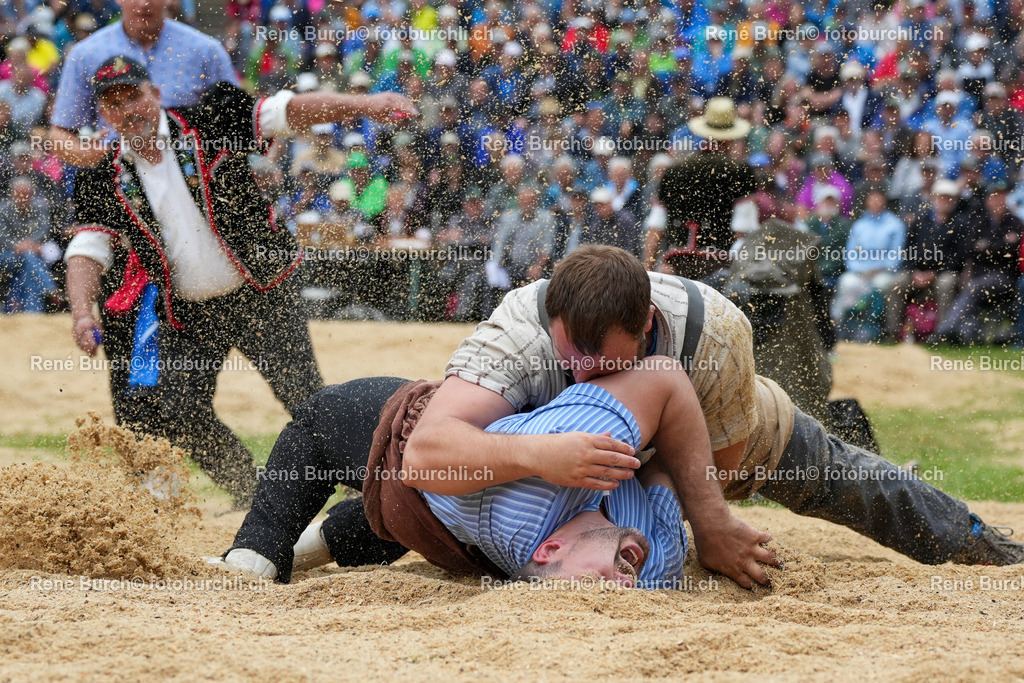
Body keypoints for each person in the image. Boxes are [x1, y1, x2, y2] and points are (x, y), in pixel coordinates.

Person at [397, 246, 1024, 585]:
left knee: (853, 482)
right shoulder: (518, 330)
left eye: (606, 363)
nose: (584, 375)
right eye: (570, 360)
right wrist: (539, 454)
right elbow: (424, 455)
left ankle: (993, 551)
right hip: (572, 462)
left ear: (646, 325)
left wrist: (709, 527)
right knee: (402, 502)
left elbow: (709, 480)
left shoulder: (715, 332)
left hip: (718, 443)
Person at [63, 56, 416, 506]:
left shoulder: (211, 118)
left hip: (261, 292)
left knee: (306, 397)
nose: (127, 110)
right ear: (102, 114)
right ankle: (249, 491)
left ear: (155, 93)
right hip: (187, 312)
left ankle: (366, 493)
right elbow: (87, 249)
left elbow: (289, 111)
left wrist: (365, 104)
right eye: (114, 104)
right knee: (180, 409)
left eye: (133, 95)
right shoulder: (101, 173)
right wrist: (81, 312)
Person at [215, 357, 720, 588]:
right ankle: (318, 541)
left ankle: (256, 552)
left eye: (595, 588)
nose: (622, 589)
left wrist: (540, 455)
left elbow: (424, 459)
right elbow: (667, 435)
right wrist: (712, 521)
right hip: (441, 503)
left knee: (324, 423)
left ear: (549, 550)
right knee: (401, 516)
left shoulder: (533, 503)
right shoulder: (657, 568)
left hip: (420, 457)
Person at [655, 97, 756, 280]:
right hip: (718, 266)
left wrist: (648, 272)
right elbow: (741, 230)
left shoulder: (675, 169)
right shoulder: (740, 171)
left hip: (676, 265)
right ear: (731, 136)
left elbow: (655, 226)